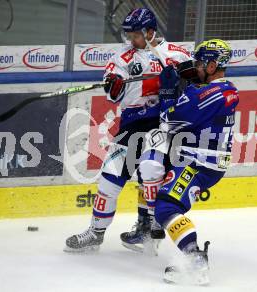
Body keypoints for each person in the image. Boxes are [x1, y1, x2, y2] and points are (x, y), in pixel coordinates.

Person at [64, 7, 191, 253]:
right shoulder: (123, 57)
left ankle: (147, 229)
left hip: (163, 125)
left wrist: (178, 81)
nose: (131, 40)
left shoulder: (177, 54)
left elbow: (195, 86)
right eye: (129, 35)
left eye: (135, 35)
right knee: (109, 179)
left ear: (150, 32)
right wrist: (114, 84)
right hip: (132, 125)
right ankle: (95, 233)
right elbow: (114, 96)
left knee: (150, 175)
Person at [139, 39, 239, 284]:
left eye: (200, 63)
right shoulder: (228, 89)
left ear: (213, 66)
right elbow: (199, 103)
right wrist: (192, 82)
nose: (196, 67)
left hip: (197, 165)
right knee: (167, 201)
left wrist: (167, 92)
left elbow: (168, 121)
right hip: (206, 163)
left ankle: (195, 259)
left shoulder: (205, 93)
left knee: (166, 207)